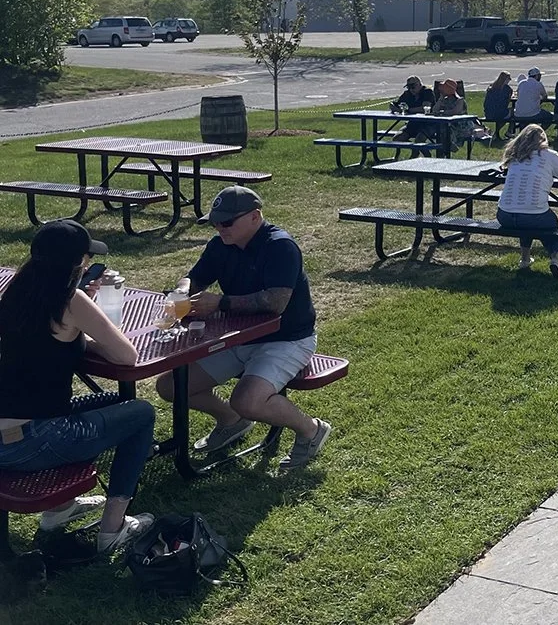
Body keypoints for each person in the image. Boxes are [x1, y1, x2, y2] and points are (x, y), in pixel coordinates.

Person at [0, 220, 156, 552]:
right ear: (78, 262)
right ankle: (113, 529)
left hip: (8, 432)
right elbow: (127, 356)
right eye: (87, 257)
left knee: (109, 402)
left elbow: (46, 343)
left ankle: (60, 509)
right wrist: (89, 312)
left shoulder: (16, 291)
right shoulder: (71, 300)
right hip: (34, 439)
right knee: (141, 413)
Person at [158, 187, 332, 470]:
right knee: (171, 386)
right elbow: (194, 278)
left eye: (227, 222)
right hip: (237, 336)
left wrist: (220, 302)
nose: (220, 228)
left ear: (255, 217)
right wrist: (182, 292)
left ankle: (311, 430)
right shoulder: (220, 245)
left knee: (247, 401)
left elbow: (276, 302)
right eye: (215, 222)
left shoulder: (280, 246)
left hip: (286, 339)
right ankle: (231, 420)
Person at [496, 125, 558, 278]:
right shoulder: (549, 155)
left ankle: (525, 259)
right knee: (551, 227)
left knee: (524, 215)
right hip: (534, 216)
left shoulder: (514, 156)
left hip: (504, 215)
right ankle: (555, 258)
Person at [392, 76, 437, 142]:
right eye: (408, 87)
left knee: (419, 139)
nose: (411, 90)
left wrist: (408, 110)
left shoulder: (427, 92)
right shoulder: (407, 94)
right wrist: (397, 109)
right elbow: (393, 104)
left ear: (419, 84)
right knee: (397, 138)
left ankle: (417, 148)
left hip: (429, 124)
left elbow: (425, 108)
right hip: (413, 123)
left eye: (413, 87)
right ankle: (412, 147)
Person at [484, 71, 514, 140]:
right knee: (513, 112)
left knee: (504, 113)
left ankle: (496, 133)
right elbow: (506, 103)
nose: (509, 80)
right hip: (499, 113)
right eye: (508, 79)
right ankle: (509, 131)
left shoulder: (491, 87)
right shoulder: (507, 89)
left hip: (488, 113)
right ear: (505, 79)